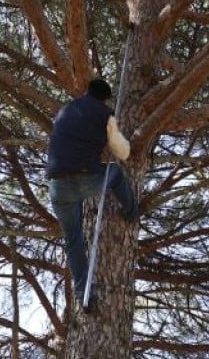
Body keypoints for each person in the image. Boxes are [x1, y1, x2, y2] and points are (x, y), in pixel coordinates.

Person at [46, 78, 139, 300]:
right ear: (106, 98)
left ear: (87, 91)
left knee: (73, 240)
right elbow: (122, 151)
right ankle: (132, 211)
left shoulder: (64, 110)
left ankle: (82, 291)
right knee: (115, 172)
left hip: (57, 185)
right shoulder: (105, 114)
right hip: (86, 178)